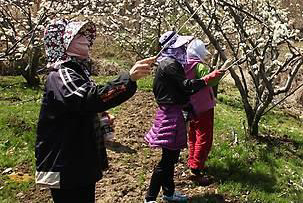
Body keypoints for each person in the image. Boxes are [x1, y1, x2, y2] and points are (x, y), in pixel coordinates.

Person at [35, 19, 154, 203]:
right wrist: (128, 78)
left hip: (77, 160)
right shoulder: (60, 74)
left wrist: (101, 118)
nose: (83, 39)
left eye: (84, 35)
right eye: (77, 36)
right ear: (62, 43)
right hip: (67, 162)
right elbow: (86, 99)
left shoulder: (75, 71)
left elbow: (81, 107)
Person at [144, 32, 224, 203]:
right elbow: (185, 86)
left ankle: (168, 193)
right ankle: (150, 197)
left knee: (171, 158)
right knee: (166, 160)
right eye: (180, 46)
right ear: (173, 47)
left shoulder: (166, 63)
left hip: (173, 112)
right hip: (171, 116)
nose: (184, 48)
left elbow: (176, 89)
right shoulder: (170, 65)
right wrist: (206, 80)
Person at [184, 39, 221, 185]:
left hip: (190, 106)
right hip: (203, 107)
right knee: (204, 137)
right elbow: (210, 81)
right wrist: (219, 74)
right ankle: (196, 169)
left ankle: (192, 161)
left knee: (193, 135)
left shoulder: (183, 64)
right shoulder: (199, 66)